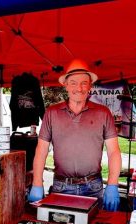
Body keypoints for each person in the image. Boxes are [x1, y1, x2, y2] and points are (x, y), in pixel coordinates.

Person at [28, 59, 121, 211]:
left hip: (93, 186)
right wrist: (37, 183)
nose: (79, 88)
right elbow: (41, 150)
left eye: (84, 83)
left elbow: (114, 151)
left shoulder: (103, 113)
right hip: (61, 185)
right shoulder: (51, 113)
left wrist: (112, 184)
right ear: (65, 85)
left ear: (90, 86)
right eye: (73, 83)